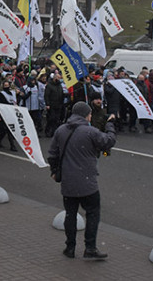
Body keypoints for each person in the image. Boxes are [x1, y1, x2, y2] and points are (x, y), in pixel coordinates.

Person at [47, 101, 117, 260]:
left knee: (70, 215)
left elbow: (52, 154)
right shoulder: (90, 131)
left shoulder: (61, 130)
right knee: (93, 213)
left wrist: (54, 171)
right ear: (86, 115)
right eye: (90, 114)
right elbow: (109, 141)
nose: (91, 116)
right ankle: (90, 248)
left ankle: (70, 247)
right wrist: (110, 125)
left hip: (68, 182)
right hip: (88, 183)